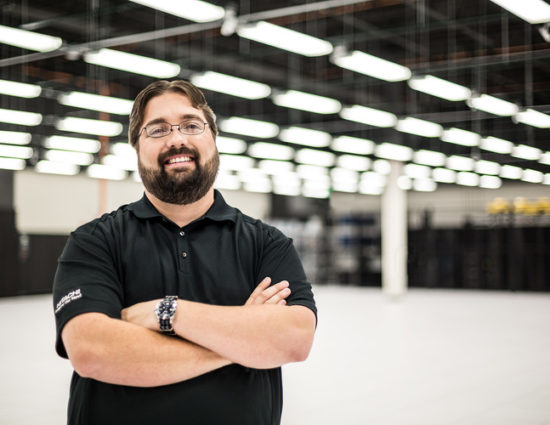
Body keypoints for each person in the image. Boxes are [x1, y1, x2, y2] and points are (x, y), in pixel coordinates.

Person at [52, 80, 317, 425]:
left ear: (213, 139)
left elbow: (294, 341)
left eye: (191, 125)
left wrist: (167, 312)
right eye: (158, 129)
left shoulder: (266, 243)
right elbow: (92, 351)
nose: (177, 139)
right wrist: (242, 341)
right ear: (136, 148)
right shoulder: (94, 241)